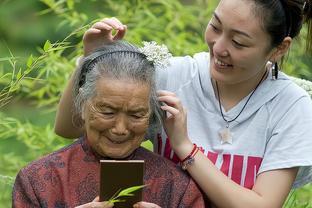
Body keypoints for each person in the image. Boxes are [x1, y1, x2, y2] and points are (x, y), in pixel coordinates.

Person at [55, 0, 312, 207]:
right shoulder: (171, 75)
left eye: (238, 42)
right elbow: (70, 127)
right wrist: (91, 60)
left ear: (279, 48)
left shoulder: (290, 107)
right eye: (215, 26)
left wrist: (184, 147)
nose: (218, 47)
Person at [12, 41, 206, 208]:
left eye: (136, 114)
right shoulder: (37, 180)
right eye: (107, 112)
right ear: (82, 105)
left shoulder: (178, 188)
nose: (120, 129)